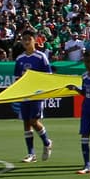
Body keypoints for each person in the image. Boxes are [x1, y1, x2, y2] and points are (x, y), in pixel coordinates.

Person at [14, 30, 54, 163]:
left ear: (34, 40)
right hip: (25, 94)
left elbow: (48, 76)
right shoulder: (20, 59)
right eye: (24, 39)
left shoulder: (41, 57)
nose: (26, 42)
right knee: (26, 122)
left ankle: (47, 142)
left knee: (33, 121)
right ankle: (31, 153)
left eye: (28, 39)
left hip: (37, 94)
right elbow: (17, 78)